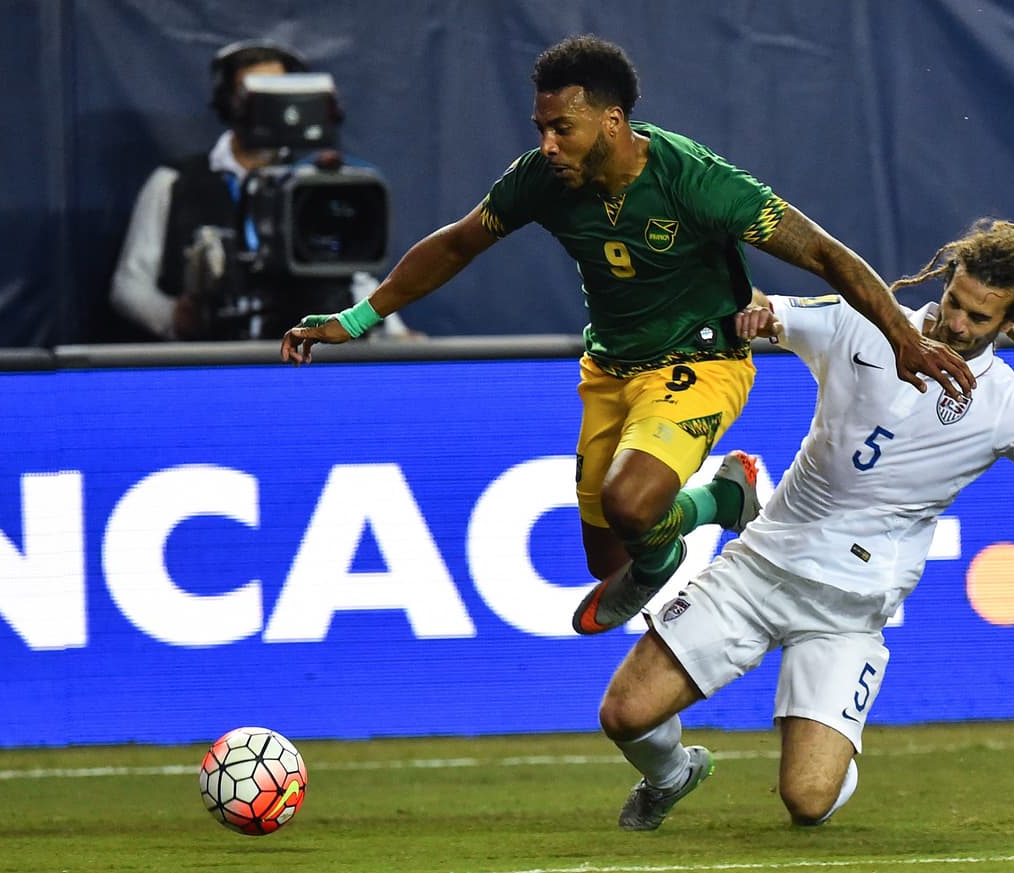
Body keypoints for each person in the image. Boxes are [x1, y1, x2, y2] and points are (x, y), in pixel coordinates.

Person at [280, 34, 974, 635]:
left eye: (562, 128)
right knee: (608, 558)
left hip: (702, 360)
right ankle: (721, 499)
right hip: (611, 368)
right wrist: (358, 318)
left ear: (612, 122)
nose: (547, 145)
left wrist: (900, 337)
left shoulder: (694, 182)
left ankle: (680, 533)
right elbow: (458, 244)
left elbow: (824, 252)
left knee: (632, 504)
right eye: (541, 127)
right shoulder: (542, 180)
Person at [595, 218, 1014, 832]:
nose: (957, 324)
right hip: (761, 567)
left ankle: (835, 742)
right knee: (623, 713)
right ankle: (672, 776)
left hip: (850, 610)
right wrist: (752, 312)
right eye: (955, 304)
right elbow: (770, 310)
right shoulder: (862, 321)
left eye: (979, 319)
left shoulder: (1009, 403)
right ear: (947, 282)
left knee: (807, 801)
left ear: (1009, 323)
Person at [110, 38, 418, 341]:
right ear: (226, 99)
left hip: (299, 356)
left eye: (276, 93)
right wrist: (173, 317)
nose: (266, 107)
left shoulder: (315, 184)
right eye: (253, 94)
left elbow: (351, 270)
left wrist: (394, 332)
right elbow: (130, 284)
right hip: (211, 359)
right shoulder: (173, 182)